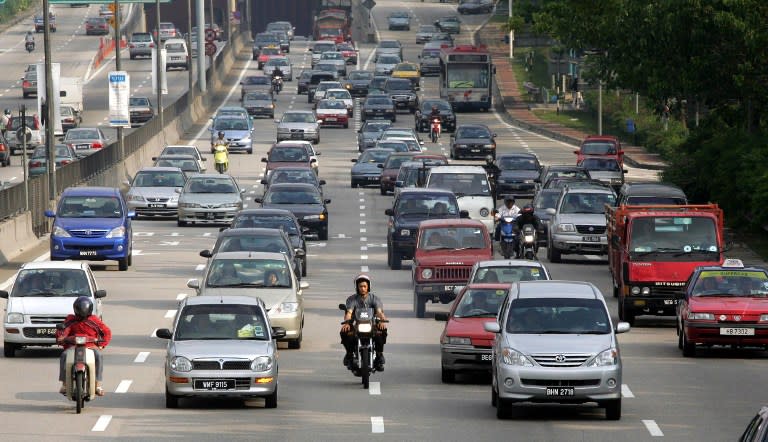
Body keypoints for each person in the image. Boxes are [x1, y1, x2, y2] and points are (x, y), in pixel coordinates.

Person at [56, 296, 111, 396]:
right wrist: (61, 337)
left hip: (91, 346)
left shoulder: (94, 320)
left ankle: (97, 385)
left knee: (98, 356)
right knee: (64, 355)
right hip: (73, 346)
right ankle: (64, 384)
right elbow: (63, 330)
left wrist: (102, 344)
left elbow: (106, 332)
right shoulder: (71, 319)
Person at [340, 274, 388, 372]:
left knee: (381, 331)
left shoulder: (374, 298)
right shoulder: (352, 299)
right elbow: (349, 312)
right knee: (344, 332)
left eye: (364, 286)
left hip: (372, 325)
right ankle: (349, 354)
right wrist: (346, 322)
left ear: (368, 287)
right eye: (360, 286)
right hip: (357, 325)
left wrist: (382, 320)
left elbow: (379, 311)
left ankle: (379, 354)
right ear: (357, 287)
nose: (362, 288)